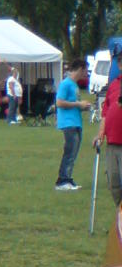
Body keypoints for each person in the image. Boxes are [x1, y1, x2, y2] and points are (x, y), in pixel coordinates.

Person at [54, 58, 93, 191]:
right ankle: (62, 181)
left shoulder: (75, 85)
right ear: (80, 69)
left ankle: (68, 179)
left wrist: (84, 107)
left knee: (73, 153)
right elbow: (59, 102)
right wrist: (78, 104)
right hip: (68, 123)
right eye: (85, 71)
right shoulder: (65, 84)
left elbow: (74, 104)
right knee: (69, 152)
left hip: (76, 122)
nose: (86, 74)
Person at [95, 67, 122, 206]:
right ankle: (120, 218)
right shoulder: (114, 84)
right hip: (112, 142)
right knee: (114, 183)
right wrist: (101, 133)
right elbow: (105, 113)